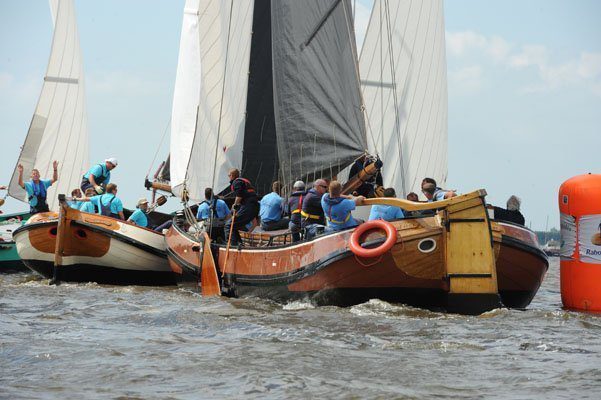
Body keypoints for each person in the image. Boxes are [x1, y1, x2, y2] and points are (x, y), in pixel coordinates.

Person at [224, 168, 259, 246]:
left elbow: (239, 195)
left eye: (229, 175)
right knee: (234, 226)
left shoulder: (236, 182)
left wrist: (234, 206)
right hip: (254, 207)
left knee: (228, 225)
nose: (228, 177)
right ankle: (239, 244)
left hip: (248, 206)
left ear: (232, 176)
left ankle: (231, 246)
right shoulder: (243, 181)